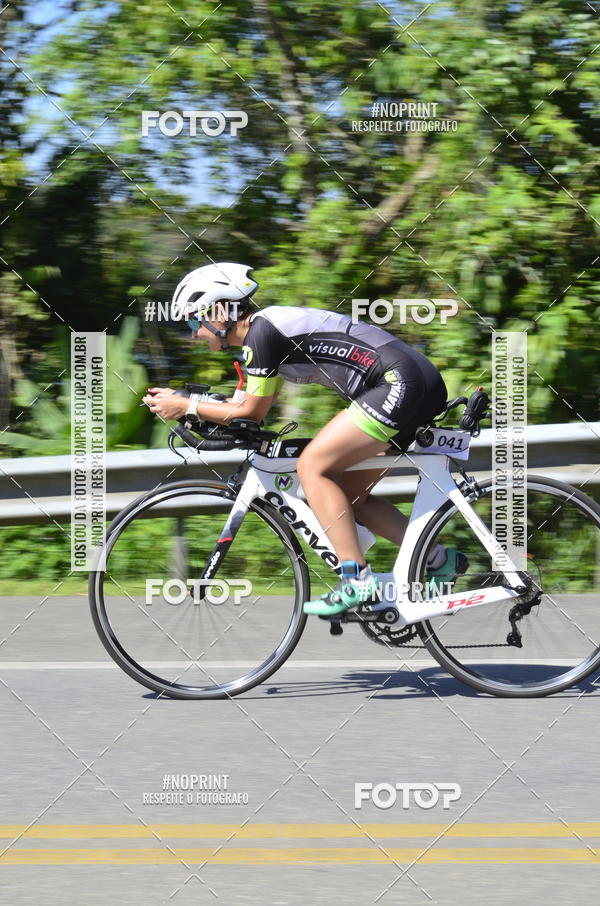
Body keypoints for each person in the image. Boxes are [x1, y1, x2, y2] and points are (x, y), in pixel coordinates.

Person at [143, 262, 464, 616]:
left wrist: (186, 406)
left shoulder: (261, 334)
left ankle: (357, 581)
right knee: (350, 498)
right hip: (413, 381)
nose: (193, 335)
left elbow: (250, 412)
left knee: (312, 467)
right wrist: (188, 404)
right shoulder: (263, 336)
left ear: (218, 312)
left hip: (397, 383)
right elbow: (244, 407)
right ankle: (440, 560)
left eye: (193, 323)